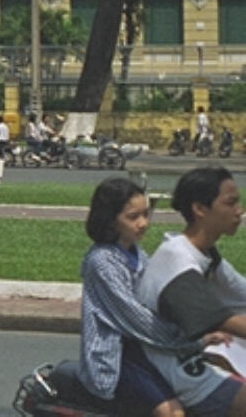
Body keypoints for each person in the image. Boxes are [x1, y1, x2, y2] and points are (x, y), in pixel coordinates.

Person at [77, 178, 204, 417]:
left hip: (148, 349)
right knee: (173, 412)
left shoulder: (137, 253)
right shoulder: (102, 262)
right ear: (111, 219)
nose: (143, 223)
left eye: (146, 214)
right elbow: (137, 319)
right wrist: (189, 341)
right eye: (133, 217)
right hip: (120, 357)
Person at [134, 166, 246, 416]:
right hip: (174, 367)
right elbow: (222, 320)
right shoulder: (176, 260)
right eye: (230, 203)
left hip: (192, 354)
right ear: (200, 209)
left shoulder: (204, 255)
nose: (239, 211)